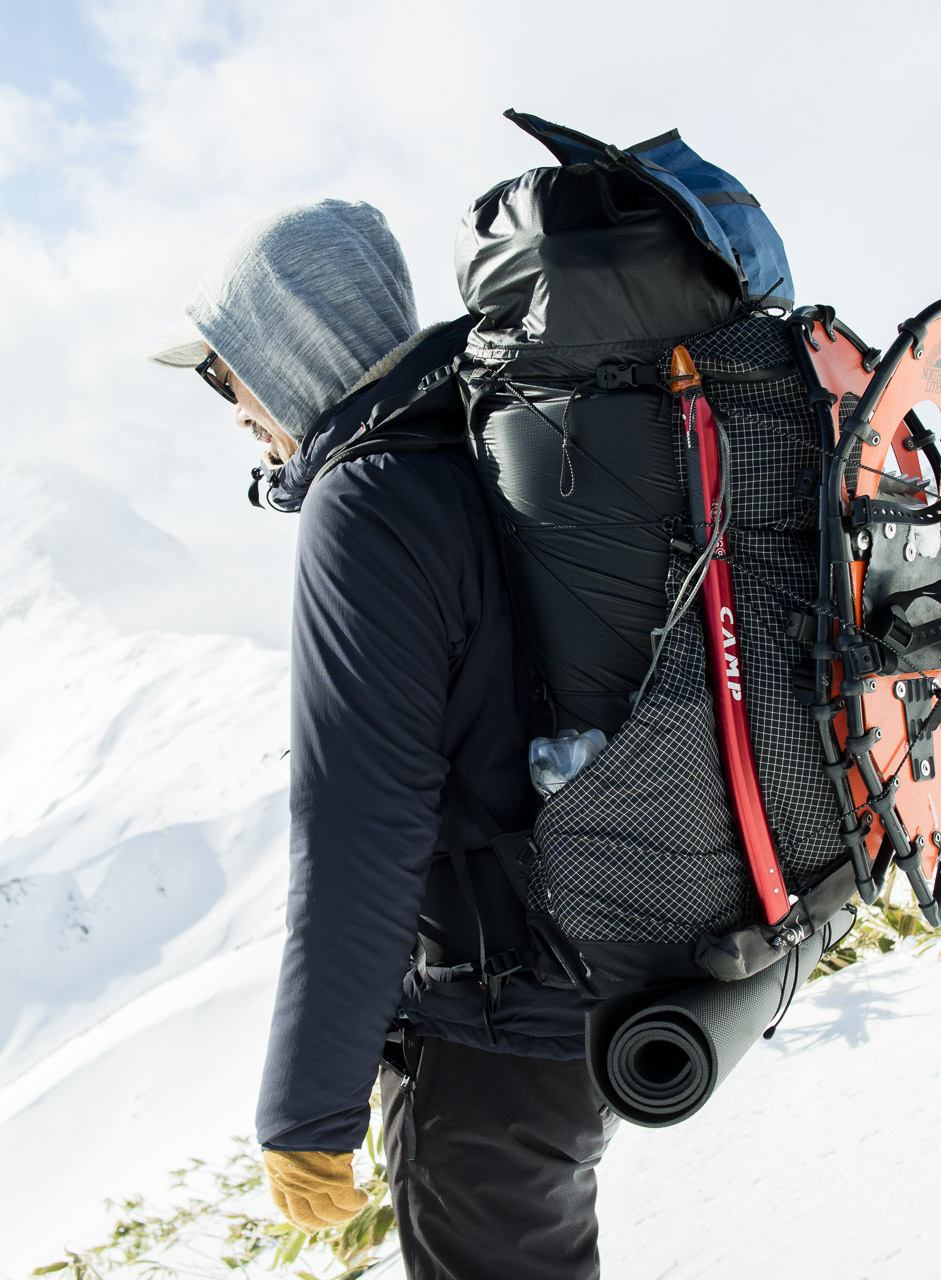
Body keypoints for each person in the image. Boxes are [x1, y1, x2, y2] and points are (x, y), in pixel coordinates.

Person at [147, 199, 613, 1280]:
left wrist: (305, 1108)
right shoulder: (478, 449)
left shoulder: (367, 499)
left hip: (488, 1027)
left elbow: (360, 828)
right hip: (592, 981)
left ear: (287, 343)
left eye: (225, 371)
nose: (230, 407)